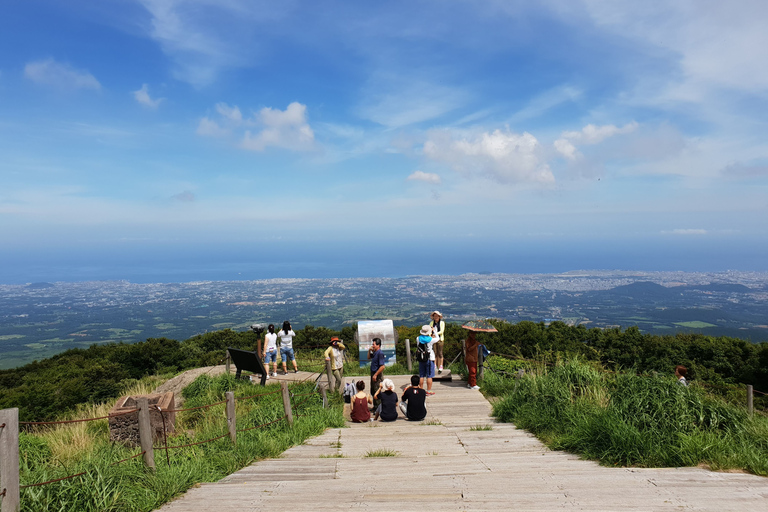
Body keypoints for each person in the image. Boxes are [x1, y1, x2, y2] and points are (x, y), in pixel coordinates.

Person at [417, 325, 436, 395]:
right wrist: (434, 331)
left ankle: (421, 390)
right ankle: (428, 390)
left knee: (421, 375)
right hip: (430, 358)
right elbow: (438, 338)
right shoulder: (431, 340)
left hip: (421, 358)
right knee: (429, 375)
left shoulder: (418, 338)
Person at [368, 337, 385, 410]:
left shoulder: (380, 353)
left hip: (377, 374)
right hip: (373, 373)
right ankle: (375, 407)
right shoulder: (375, 352)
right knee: (373, 390)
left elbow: (382, 366)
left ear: (378, 345)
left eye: (374, 344)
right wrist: (369, 351)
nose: (372, 346)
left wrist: (375, 375)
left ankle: (379, 408)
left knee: (377, 391)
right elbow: (368, 357)